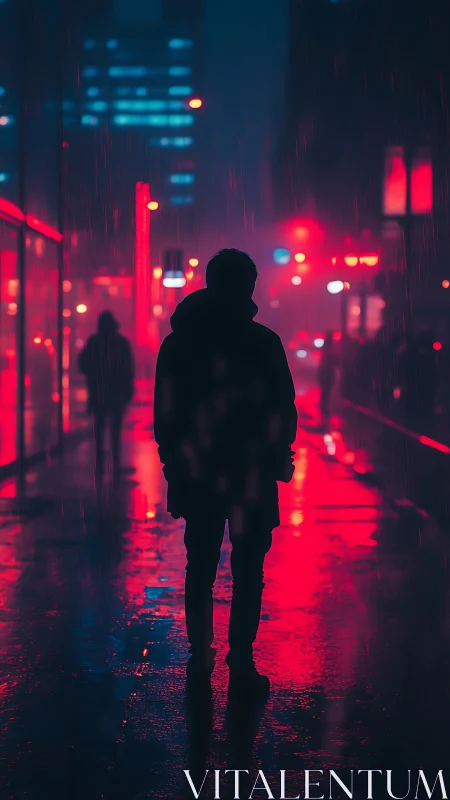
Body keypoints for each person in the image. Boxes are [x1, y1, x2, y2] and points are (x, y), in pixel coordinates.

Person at [154, 249, 297, 693]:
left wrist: (175, 465)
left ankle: (201, 655)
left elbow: (167, 415)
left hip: (198, 471)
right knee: (248, 569)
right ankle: (241, 659)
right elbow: (281, 408)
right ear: (248, 285)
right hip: (250, 472)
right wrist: (277, 455)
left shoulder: (179, 344)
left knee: (201, 566)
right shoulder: (262, 342)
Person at [79, 311, 134, 483]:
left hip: (99, 391)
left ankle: (100, 463)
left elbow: (83, 362)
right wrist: (127, 389)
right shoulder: (121, 343)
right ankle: (114, 463)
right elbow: (128, 368)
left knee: (99, 429)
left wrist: (94, 375)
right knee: (115, 430)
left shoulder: (94, 342)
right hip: (115, 392)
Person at [317, 331, 338, 426]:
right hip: (328, 377)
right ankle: (326, 420)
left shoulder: (327, 351)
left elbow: (323, 365)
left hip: (326, 377)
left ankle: (325, 420)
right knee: (326, 398)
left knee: (325, 398)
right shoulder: (332, 350)